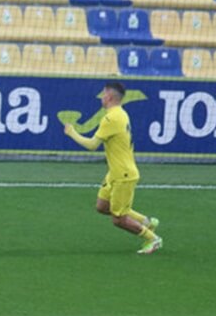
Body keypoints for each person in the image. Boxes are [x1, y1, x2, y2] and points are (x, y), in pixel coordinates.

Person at [63, 81, 162, 255]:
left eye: (103, 93)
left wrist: (72, 132)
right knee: (102, 206)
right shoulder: (120, 114)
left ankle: (152, 238)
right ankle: (146, 221)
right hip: (115, 173)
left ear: (109, 96)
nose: (101, 96)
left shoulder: (111, 118)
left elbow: (92, 145)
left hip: (124, 174)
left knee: (118, 219)